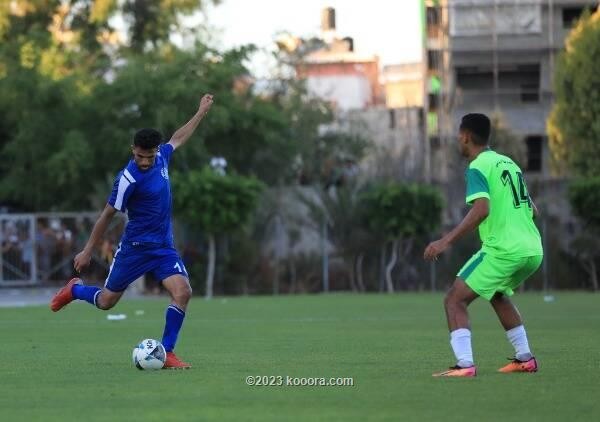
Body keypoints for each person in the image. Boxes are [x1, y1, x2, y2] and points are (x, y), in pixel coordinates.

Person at [50, 94, 214, 369]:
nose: (145, 162)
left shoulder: (162, 157)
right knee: (106, 302)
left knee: (183, 292)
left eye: (148, 157)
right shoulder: (127, 180)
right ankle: (75, 290)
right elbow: (106, 215)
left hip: (162, 247)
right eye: (139, 156)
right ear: (132, 150)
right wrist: (88, 250)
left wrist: (200, 112)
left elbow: (177, 138)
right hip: (134, 249)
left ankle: (168, 353)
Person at [424, 113, 543, 377]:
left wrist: (445, 241)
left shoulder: (478, 166)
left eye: (459, 136)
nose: (458, 140)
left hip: (504, 250)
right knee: (498, 293)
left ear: (466, 137)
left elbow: (481, 209)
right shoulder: (508, 163)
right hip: (533, 249)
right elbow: (533, 209)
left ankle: (464, 365)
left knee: (454, 300)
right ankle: (525, 359)